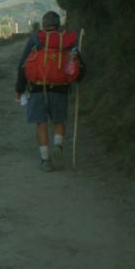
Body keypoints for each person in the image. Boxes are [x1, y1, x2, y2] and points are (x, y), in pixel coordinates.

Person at [15, 11, 86, 171]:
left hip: (38, 89)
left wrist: (19, 89)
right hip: (60, 89)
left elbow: (22, 65)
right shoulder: (67, 41)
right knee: (58, 121)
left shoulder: (35, 39)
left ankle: (46, 160)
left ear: (43, 25)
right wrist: (77, 78)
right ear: (59, 25)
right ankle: (58, 146)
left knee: (41, 124)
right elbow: (80, 68)